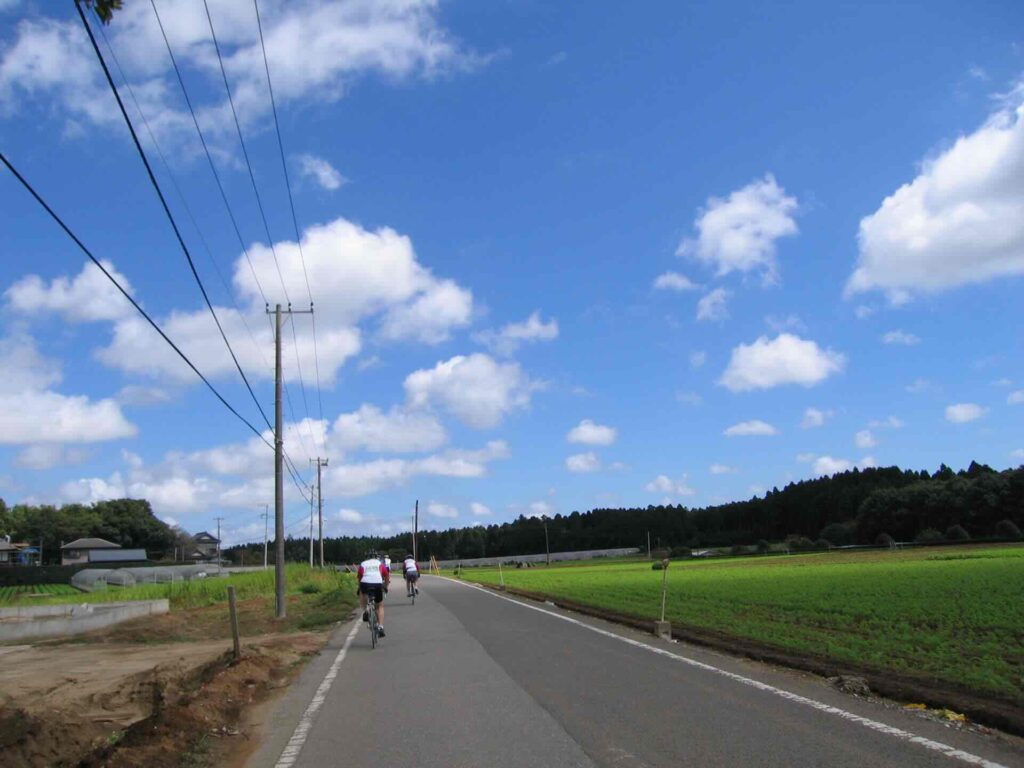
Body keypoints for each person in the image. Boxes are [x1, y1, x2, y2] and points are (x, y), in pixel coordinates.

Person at [357, 551, 390, 637]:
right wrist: (386, 586)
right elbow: (386, 576)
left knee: (362, 592)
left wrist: (359, 588)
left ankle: (365, 610)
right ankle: (381, 627)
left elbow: (359, 577)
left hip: (365, 583)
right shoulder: (379, 563)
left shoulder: (363, 564)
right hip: (377, 584)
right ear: (376, 557)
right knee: (380, 606)